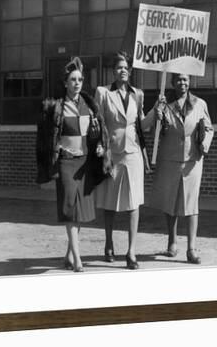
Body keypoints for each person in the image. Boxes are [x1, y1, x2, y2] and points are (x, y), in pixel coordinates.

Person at [36, 57, 111, 273]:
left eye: (80, 79)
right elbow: (46, 137)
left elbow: (97, 135)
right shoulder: (56, 108)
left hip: (85, 163)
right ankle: (78, 259)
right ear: (65, 83)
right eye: (73, 79)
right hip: (67, 164)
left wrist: (99, 147)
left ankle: (69, 254)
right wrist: (56, 149)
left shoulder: (89, 105)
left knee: (80, 211)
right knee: (69, 207)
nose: (77, 83)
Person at [145, 73, 214, 264]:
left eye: (185, 79)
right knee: (171, 202)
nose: (182, 83)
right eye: (178, 80)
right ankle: (172, 242)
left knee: (192, 204)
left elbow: (208, 128)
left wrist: (205, 145)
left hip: (193, 160)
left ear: (189, 82)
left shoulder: (200, 104)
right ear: (172, 82)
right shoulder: (164, 104)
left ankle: (191, 248)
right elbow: (154, 133)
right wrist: (157, 117)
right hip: (169, 160)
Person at [94, 51, 148, 270]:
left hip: (133, 154)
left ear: (130, 71)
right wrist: (99, 145)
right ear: (113, 71)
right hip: (112, 154)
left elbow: (142, 126)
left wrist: (157, 111)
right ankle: (108, 242)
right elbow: (97, 123)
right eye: (118, 67)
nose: (122, 70)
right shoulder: (104, 93)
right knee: (110, 203)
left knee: (133, 203)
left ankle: (131, 251)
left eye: (126, 67)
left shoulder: (138, 95)